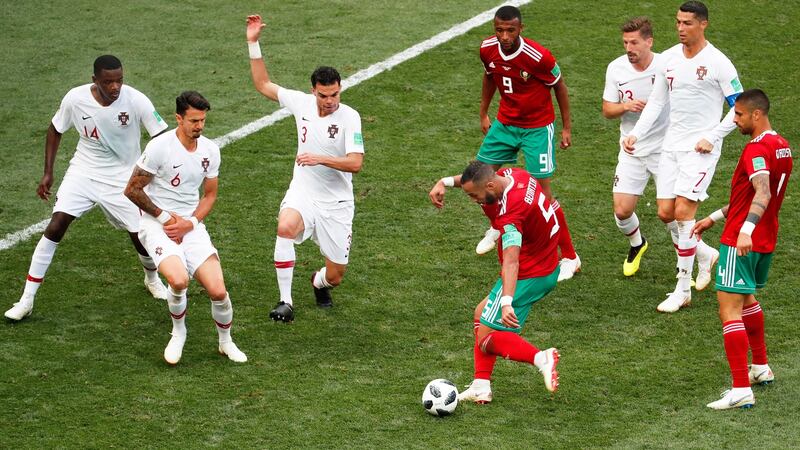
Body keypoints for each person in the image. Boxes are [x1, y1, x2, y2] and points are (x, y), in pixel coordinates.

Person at [4, 55, 169, 321]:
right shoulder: (75, 98)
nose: (115, 87)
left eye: (119, 80)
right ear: (95, 81)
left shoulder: (137, 100)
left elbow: (161, 136)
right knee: (56, 225)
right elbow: (55, 129)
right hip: (84, 171)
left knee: (140, 235)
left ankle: (151, 279)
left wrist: (152, 175)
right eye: (108, 82)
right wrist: (48, 172)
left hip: (123, 177)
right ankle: (26, 300)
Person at [622, 1, 744, 312]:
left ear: (703, 24)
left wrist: (712, 137)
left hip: (700, 150)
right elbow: (657, 102)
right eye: (677, 22)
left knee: (684, 214)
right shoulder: (670, 59)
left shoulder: (718, 62)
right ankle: (705, 254)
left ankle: (682, 288)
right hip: (671, 146)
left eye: (687, 23)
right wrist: (637, 133)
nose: (680, 28)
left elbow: (739, 106)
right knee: (665, 213)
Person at [246, 15, 365, 323]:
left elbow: (356, 163)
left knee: (336, 274)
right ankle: (285, 301)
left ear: (340, 89)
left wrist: (320, 158)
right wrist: (253, 43)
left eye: (335, 94)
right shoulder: (300, 104)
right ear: (314, 91)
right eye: (324, 95)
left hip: (337, 203)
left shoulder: (350, 117)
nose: (330, 101)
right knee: (285, 226)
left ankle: (318, 283)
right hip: (304, 193)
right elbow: (262, 84)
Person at [124, 91, 247, 365]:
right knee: (179, 280)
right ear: (178, 118)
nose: (199, 126)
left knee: (218, 291)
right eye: (193, 121)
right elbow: (132, 190)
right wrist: (166, 218)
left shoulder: (210, 150)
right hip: (157, 225)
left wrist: (190, 223)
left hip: (190, 225)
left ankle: (225, 342)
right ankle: (178, 333)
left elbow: (210, 195)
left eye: (202, 120)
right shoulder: (160, 148)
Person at [692, 89, 792, 409]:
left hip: (742, 240)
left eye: (738, 115)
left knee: (728, 311)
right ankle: (760, 368)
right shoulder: (782, 147)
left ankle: (740, 389)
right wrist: (713, 217)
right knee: (747, 298)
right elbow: (751, 197)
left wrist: (744, 231)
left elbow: (761, 191)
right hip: (766, 239)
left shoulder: (756, 150)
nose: (734, 121)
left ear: (756, 115)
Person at [429, 161, 560, 403]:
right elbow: (473, 179)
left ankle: (541, 358)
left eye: (474, 195)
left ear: (490, 185)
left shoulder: (512, 212)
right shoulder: (513, 174)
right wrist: (445, 181)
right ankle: (481, 385)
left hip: (528, 275)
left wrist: (507, 301)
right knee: (481, 313)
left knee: (487, 339)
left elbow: (511, 260)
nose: (472, 199)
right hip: (547, 264)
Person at [465, 4, 579, 282]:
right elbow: (490, 76)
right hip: (505, 124)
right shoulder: (487, 48)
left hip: (537, 128)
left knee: (543, 194)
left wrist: (565, 127)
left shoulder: (538, 56)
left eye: (510, 30)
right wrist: (483, 111)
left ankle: (570, 257)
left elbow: (559, 86)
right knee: (480, 177)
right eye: (500, 30)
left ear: (521, 29)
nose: (504, 36)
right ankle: (498, 227)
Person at [602, 17, 669, 276]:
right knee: (622, 210)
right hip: (631, 148)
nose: (629, 48)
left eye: (634, 42)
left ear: (649, 42)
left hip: (665, 149)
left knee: (671, 212)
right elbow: (607, 109)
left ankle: (683, 263)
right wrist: (625, 107)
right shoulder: (616, 69)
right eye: (625, 43)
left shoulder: (666, 65)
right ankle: (637, 243)